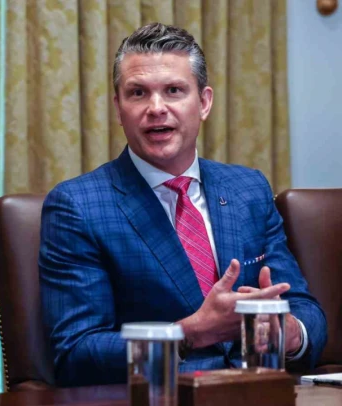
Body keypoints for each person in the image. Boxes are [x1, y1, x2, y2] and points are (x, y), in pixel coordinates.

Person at [38, 23, 327, 386]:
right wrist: (189, 333)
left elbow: (305, 309)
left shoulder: (248, 190)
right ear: (118, 109)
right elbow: (77, 354)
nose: (156, 108)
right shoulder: (77, 206)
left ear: (203, 103)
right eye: (138, 93)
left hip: (259, 392)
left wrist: (290, 331)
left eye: (173, 90)